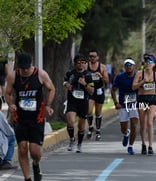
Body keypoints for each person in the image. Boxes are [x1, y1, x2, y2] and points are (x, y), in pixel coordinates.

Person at [5, 52, 55, 181]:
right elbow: (7, 93)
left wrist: (48, 105)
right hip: (20, 117)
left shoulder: (40, 74)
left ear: (31, 64)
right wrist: (10, 104)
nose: (25, 70)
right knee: (22, 148)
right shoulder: (13, 76)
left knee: (35, 152)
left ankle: (36, 164)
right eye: (23, 68)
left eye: (27, 67)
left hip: (36, 118)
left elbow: (51, 89)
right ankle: (27, 178)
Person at [132, 54, 156, 155]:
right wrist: (142, 82)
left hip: (152, 99)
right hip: (142, 100)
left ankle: (150, 146)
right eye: (146, 62)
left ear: (154, 64)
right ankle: (143, 144)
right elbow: (133, 87)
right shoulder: (140, 74)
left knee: (150, 122)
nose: (147, 64)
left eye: (150, 63)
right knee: (143, 124)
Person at [63, 54, 94, 153]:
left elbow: (91, 91)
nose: (81, 65)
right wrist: (66, 84)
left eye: (83, 63)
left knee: (81, 126)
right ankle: (72, 140)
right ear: (75, 63)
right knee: (70, 121)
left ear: (85, 64)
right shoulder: (70, 73)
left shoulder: (88, 75)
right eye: (78, 63)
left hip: (83, 102)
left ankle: (79, 144)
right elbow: (65, 81)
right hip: (72, 101)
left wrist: (84, 84)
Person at [111, 58, 138, 155]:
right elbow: (113, 90)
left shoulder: (138, 76)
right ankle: (126, 133)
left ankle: (130, 146)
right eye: (126, 65)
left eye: (130, 65)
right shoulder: (120, 77)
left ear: (134, 66)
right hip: (123, 104)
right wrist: (115, 102)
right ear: (124, 67)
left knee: (134, 125)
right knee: (123, 127)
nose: (128, 67)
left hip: (135, 104)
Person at [86, 50, 109, 141]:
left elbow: (106, 81)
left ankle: (98, 131)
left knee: (98, 112)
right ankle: (91, 127)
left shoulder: (102, 67)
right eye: (91, 56)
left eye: (94, 56)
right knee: (89, 110)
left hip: (99, 90)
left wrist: (101, 76)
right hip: (90, 90)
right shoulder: (86, 66)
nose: (92, 58)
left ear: (97, 57)